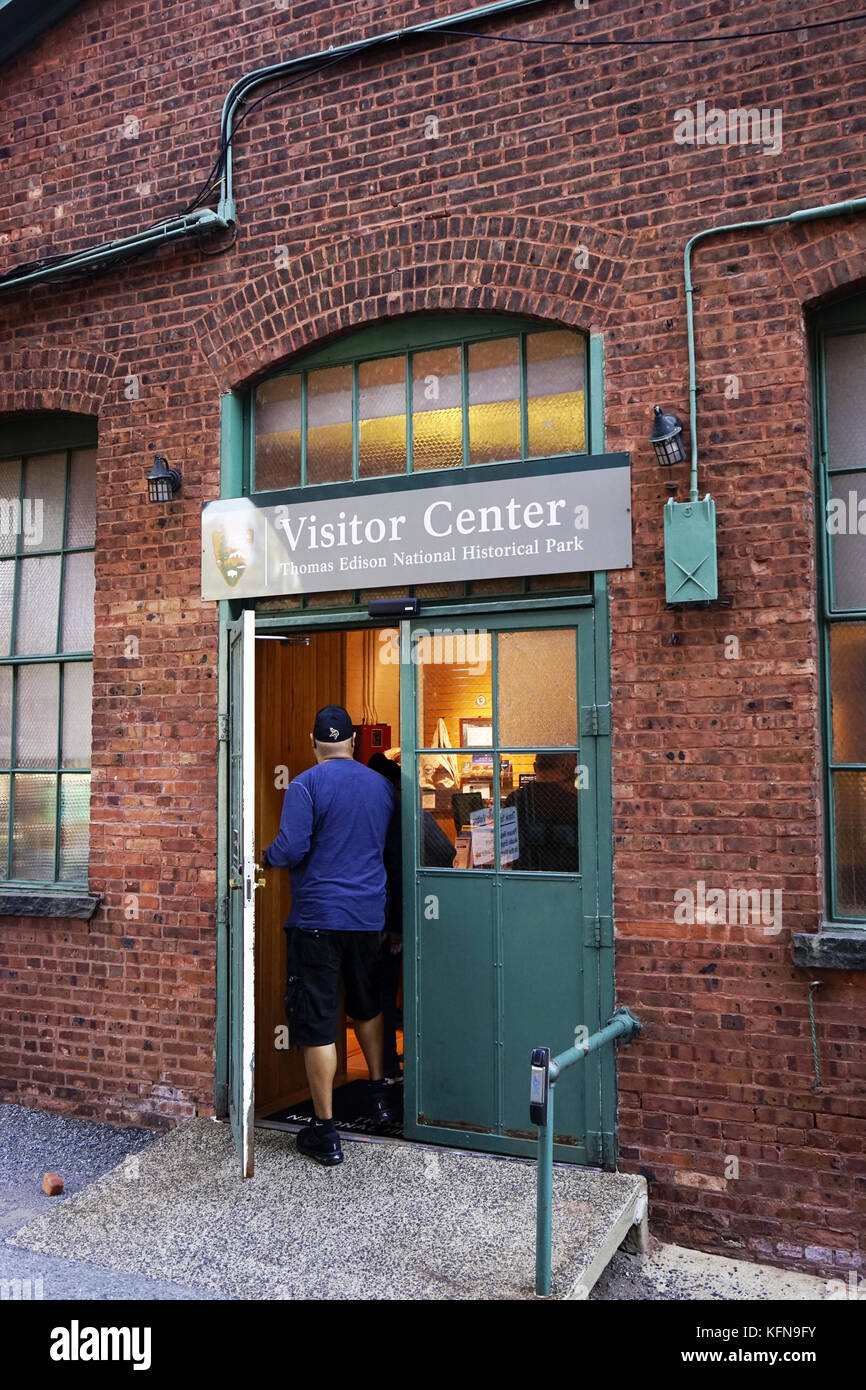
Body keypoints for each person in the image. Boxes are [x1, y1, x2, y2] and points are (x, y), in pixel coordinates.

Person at [262, 704, 397, 1166]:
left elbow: (292, 847)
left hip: (318, 919)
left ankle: (324, 1129)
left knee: (318, 1021)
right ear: (354, 743)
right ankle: (380, 1093)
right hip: (367, 918)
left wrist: (266, 856)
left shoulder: (305, 784)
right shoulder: (381, 785)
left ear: (312, 741)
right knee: (367, 1005)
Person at [503, 752, 579, 873]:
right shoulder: (573, 801)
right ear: (563, 766)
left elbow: (507, 847)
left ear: (535, 767)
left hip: (524, 871)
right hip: (566, 873)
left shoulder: (515, 799)